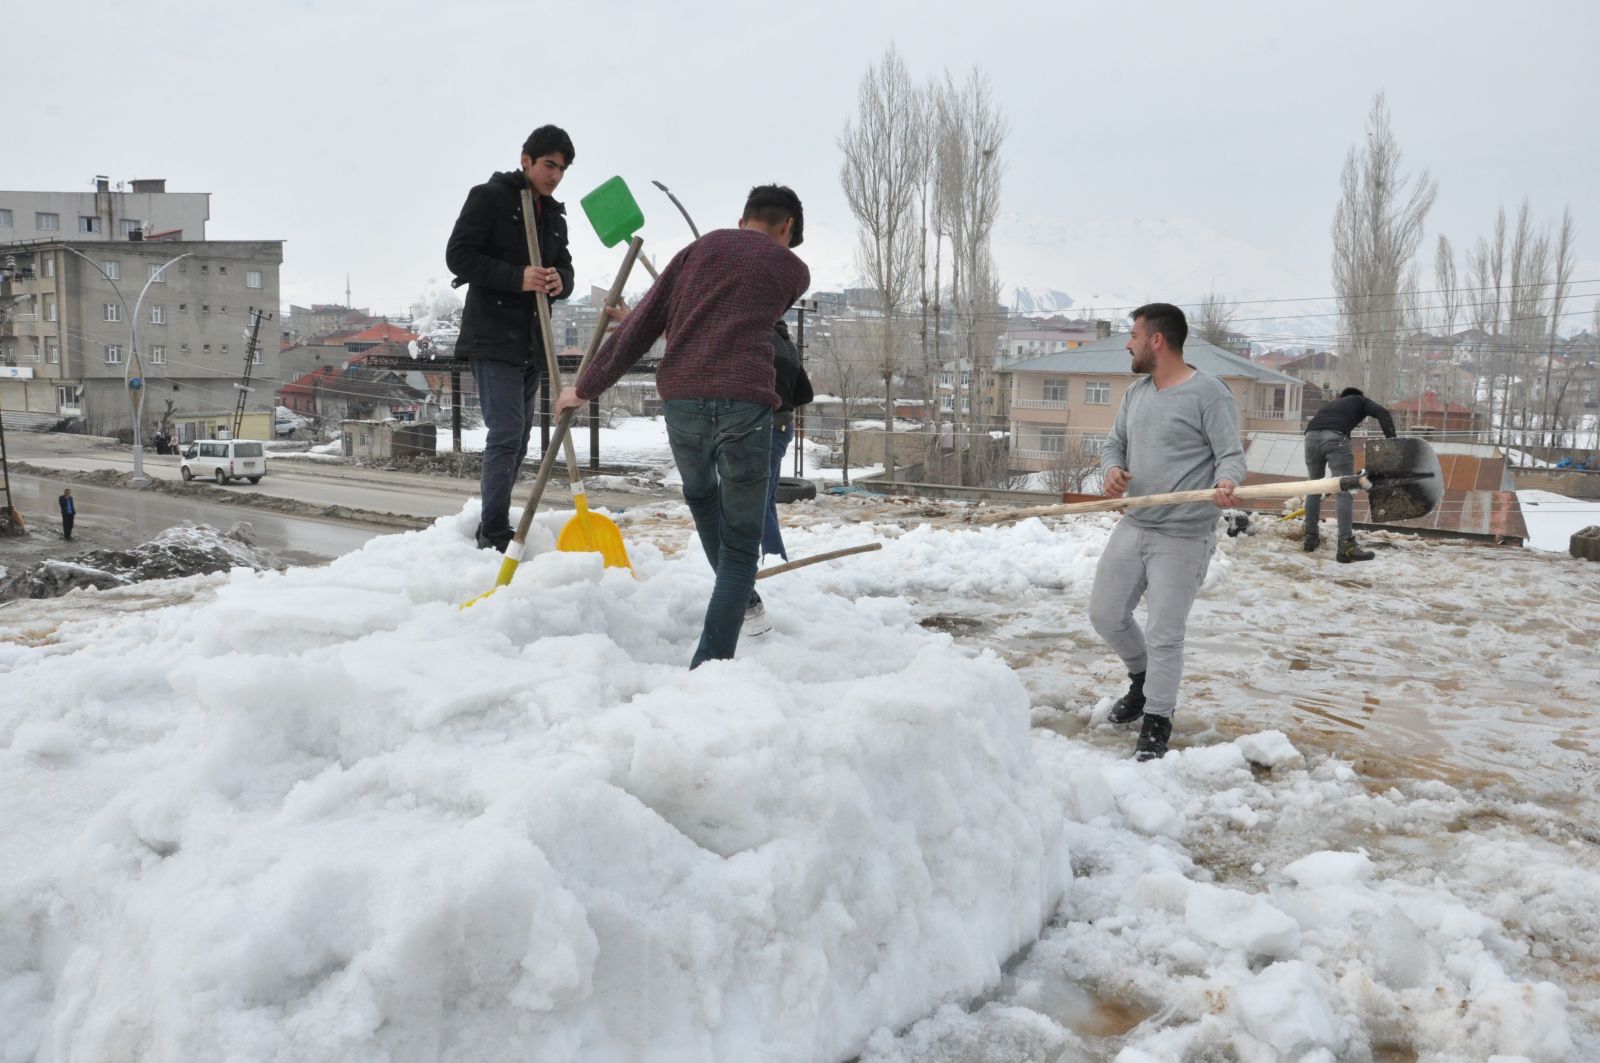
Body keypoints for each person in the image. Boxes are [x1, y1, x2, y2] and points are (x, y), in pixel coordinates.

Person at [555, 185, 810, 668]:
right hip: (746, 405)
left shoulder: (697, 249)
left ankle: (740, 604)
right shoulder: (794, 270)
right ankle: (710, 664)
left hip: (683, 401)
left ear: (742, 220)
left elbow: (644, 327)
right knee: (739, 549)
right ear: (788, 228)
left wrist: (584, 388)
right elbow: (736, 321)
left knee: (700, 496)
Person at [1090, 303, 1246, 762]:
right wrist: (1113, 468)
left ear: (1157, 340)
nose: (1128, 343)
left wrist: (1226, 482)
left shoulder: (1209, 394)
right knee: (1105, 614)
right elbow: (1112, 443)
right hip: (1135, 522)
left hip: (1183, 535)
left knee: (1164, 633)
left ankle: (1157, 720)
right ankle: (1142, 680)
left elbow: (1230, 455)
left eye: (1133, 335)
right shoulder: (1137, 392)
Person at [446, 125, 576, 553]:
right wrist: (517, 277)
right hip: (492, 335)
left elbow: (567, 270)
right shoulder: (490, 197)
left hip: (531, 342)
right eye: (548, 164)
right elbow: (459, 255)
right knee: (506, 432)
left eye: (562, 168)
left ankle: (497, 519)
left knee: (519, 438)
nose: (555, 175)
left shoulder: (554, 216)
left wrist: (559, 280)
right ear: (526, 159)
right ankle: (494, 531)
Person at [746, 318, 815, 634]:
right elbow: (806, 393)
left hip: (762, 425)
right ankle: (773, 556)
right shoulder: (788, 345)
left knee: (753, 501)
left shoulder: (758, 340)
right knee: (765, 498)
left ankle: (767, 561)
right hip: (783, 426)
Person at [1302, 386, 1397, 563]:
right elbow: (1383, 413)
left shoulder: (1332, 405)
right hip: (1335, 438)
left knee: (1313, 487)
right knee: (1344, 490)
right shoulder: (1360, 401)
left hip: (1310, 436)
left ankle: (1310, 537)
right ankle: (1346, 545)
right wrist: (1393, 443)